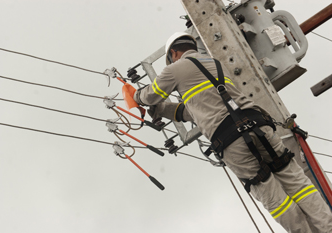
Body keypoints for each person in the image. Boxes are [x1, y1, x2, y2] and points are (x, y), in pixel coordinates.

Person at [133, 32, 332, 233]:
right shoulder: (215, 64)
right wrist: (162, 110)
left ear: (174, 53)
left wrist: (134, 96)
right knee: (296, 181)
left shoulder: (175, 69)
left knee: (272, 195)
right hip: (257, 124)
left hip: (230, 140)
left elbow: (149, 95)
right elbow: (192, 112)